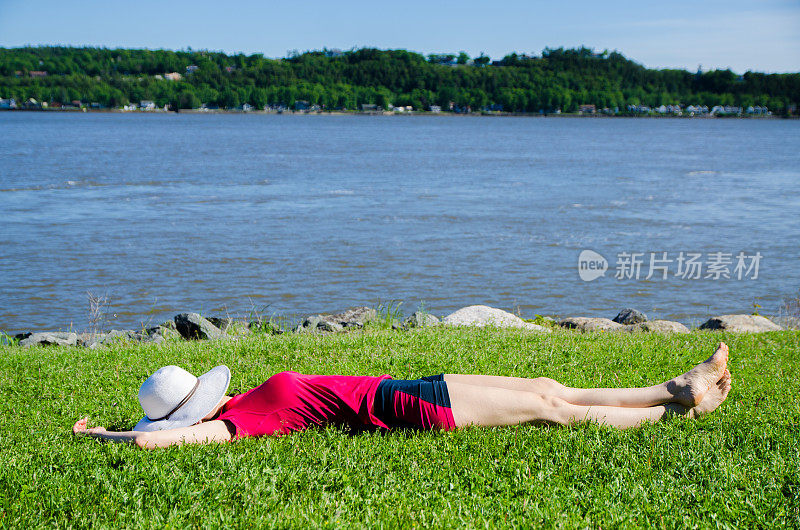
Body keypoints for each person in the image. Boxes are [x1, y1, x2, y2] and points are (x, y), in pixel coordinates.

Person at [73, 342, 731, 449]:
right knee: (548, 411)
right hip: (410, 411)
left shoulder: (236, 400)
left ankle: (672, 389)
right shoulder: (236, 424)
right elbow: (164, 439)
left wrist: (111, 424)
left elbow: (164, 423)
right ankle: (670, 414)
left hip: (408, 387)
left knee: (544, 385)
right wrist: (110, 437)